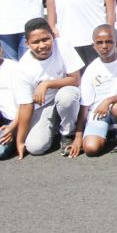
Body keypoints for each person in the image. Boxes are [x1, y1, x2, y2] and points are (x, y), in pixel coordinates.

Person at [11, 18, 85, 158]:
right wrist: (20, 141)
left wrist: (46, 84)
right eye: (35, 42)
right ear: (27, 44)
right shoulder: (23, 68)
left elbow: (75, 79)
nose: (42, 45)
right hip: (44, 105)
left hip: (67, 95)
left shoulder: (63, 45)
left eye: (46, 39)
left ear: (53, 36)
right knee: (35, 147)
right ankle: (55, 125)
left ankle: (68, 133)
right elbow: (26, 106)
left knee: (66, 97)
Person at [72, 24, 117, 157]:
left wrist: (109, 100)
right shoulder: (91, 69)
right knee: (91, 148)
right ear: (93, 46)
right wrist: (78, 136)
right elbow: (84, 106)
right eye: (100, 43)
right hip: (99, 113)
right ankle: (108, 133)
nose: (104, 46)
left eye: (109, 41)